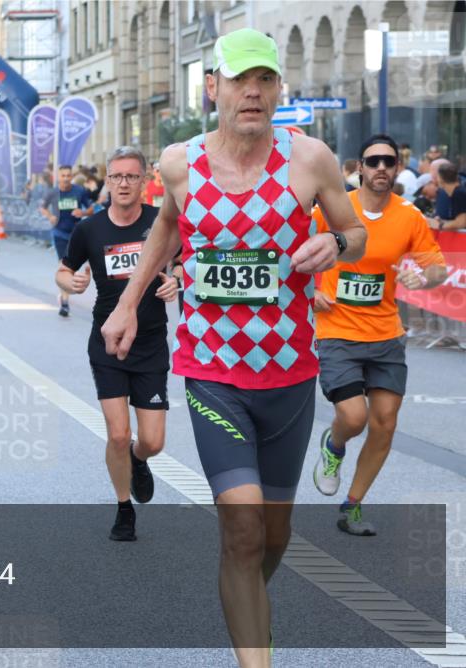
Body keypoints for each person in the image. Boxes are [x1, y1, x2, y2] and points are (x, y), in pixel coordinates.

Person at [100, 28, 366, 665]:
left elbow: (353, 231)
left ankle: (250, 609)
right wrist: (128, 304)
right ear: (212, 86)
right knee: (242, 528)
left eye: (265, 80)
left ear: (278, 89)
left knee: (272, 536)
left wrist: (335, 244)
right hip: (213, 373)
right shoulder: (180, 163)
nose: (253, 91)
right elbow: (167, 226)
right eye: (240, 79)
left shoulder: (310, 160)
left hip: (291, 374)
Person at [311, 133, 447, 536]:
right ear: (359, 169)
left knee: (385, 422)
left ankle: (352, 505)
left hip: (386, 332)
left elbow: (437, 267)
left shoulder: (409, 216)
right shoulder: (336, 210)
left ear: (397, 166)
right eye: (374, 162)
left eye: (390, 161)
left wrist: (421, 277)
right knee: (354, 417)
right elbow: (294, 250)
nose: (382, 168)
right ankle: (333, 447)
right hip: (336, 328)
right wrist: (311, 291)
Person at [56, 146, 179, 541]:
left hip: (151, 344)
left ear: (145, 181)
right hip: (107, 342)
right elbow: (63, 270)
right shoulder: (89, 229)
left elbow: (184, 261)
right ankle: (124, 508)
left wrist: (178, 279)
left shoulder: (161, 222)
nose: (124, 183)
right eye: (117, 176)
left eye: (132, 176)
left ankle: (138, 460)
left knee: (153, 442)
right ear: (107, 181)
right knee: (117, 434)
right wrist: (69, 282)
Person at [40, 165, 94, 317]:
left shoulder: (79, 191)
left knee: (72, 268)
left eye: (68, 175)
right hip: (59, 234)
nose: (66, 178)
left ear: (72, 176)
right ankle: (65, 303)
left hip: (76, 235)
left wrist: (82, 212)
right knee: (64, 267)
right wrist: (50, 216)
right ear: (58, 177)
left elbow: (91, 209)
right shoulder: (52, 192)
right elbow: (42, 208)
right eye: (63, 175)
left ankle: (64, 294)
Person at [431, 162, 466, 231]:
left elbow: (462, 222)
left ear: (441, 179)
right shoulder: (455, 193)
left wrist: (440, 225)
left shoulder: (459, 194)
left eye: (437, 176)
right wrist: (442, 221)